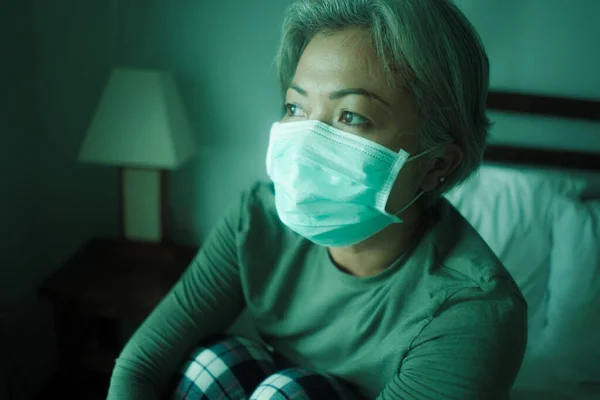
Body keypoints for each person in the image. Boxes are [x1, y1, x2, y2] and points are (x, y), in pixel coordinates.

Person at [107, 0, 527, 399]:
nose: (307, 142)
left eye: (351, 116)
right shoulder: (257, 219)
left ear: (437, 165)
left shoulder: (470, 312)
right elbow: (141, 365)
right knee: (215, 364)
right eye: (295, 107)